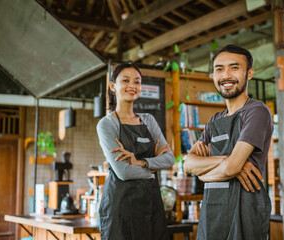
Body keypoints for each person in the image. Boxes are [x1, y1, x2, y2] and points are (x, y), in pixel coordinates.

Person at [184, 45, 273, 240]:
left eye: (234, 68)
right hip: (213, 210)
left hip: (245, 210)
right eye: (219, 69)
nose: (226, 75)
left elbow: (232, 168)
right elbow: (188, 164)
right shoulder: (214, 120)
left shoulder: (256, 112)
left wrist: (204, 175)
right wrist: (225, 161)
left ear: (249, 73)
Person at [96, 63, 174, 240]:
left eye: (137, 82)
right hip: (121, 208)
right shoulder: (107, 124)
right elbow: (124, 172)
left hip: (151, 204)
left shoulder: (148, 120)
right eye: (125, 80)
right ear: (112, 86)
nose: (132, 86)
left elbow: (169, 159)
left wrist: (141, 162)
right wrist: (153, 169)